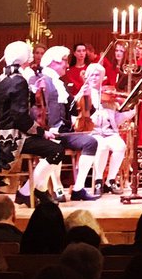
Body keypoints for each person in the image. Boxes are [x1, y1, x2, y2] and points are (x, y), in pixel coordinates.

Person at [0, 39, 63, 206]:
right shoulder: (18, 80)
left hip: (0, 137)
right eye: (29, 53)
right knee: (56, 150)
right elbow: (20, 117)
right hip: (13, 140)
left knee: (50, 146)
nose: (31, 55)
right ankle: (26, 191)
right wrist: (42, 132)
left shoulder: (2, 78)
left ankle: (39, 191)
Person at [38, 46, 101, 200]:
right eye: (64, 61)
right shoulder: (42, 80)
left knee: (90, 142)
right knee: (54, 147)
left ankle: (78, 188)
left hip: (64, 131)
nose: (67, 65)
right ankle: (50, 189)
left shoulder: (60, 84)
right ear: (53, 62)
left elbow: (73, 110)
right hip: (47, 132)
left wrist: (85, 97)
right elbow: (35, 109)